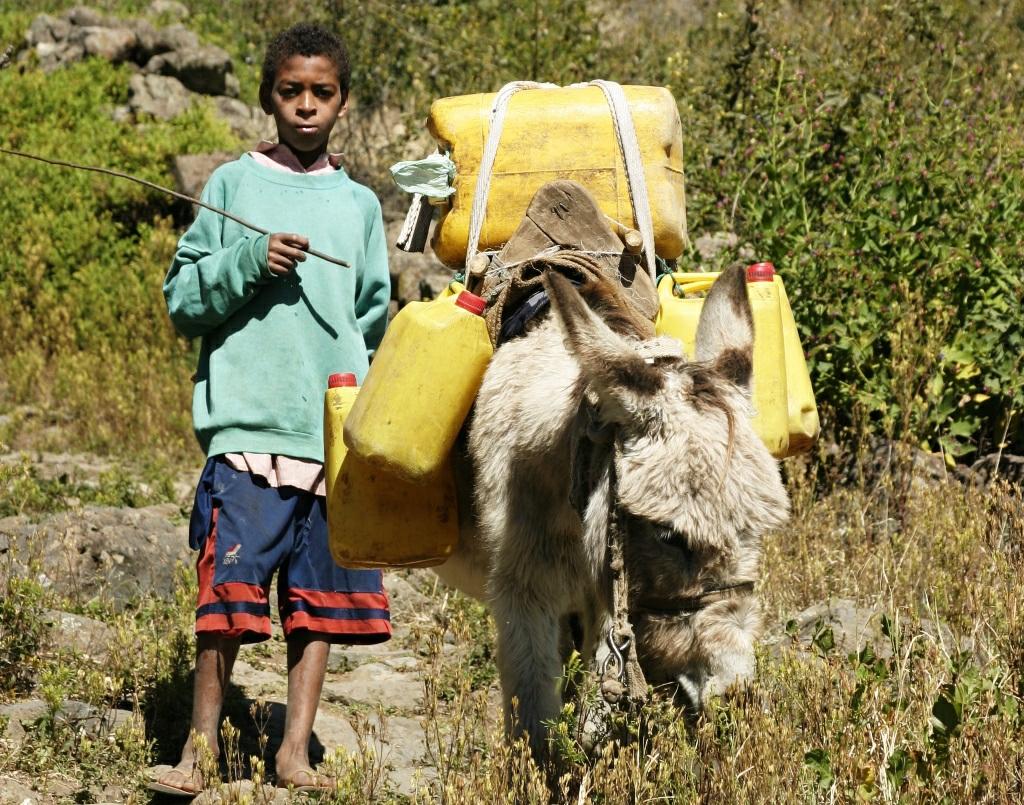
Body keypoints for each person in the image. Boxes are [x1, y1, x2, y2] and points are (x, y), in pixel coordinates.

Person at [151, 22, 392, 796]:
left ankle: (294, 751)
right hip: (248, 431)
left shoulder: (357, 206)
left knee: (318, 605)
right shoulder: (233, 187)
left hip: (330, 435)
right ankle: (199, 751)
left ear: (344, 103)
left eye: (322, 92)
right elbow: (184, 299)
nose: (307, 106)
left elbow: (373, 316)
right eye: (291, 91)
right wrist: (249, 260)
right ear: (267, 98)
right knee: (226, 597)